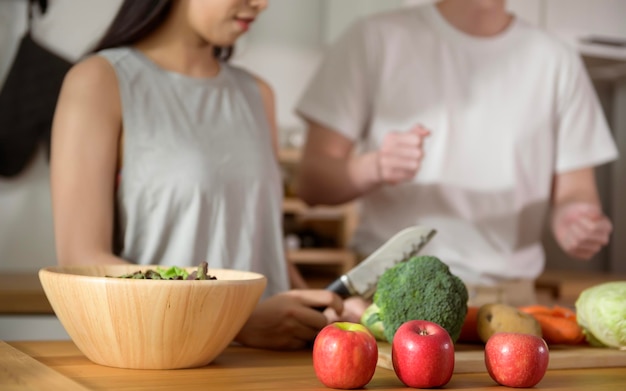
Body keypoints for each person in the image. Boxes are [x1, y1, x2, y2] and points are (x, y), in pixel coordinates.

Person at [49, 0, 351, 350]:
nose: (262, 4)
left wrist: (324, 309)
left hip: (272, 359)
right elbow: (82, 259)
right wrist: (234, 321)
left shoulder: (257, 94)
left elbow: (264, 241)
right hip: (161, 355)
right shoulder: (100, 81)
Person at [294, 0, 619, 306]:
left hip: (508, 304)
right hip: (389, 298)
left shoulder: (557, 60)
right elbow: (310, 183)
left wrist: (576, 219)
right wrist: (374, 167)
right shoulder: (374, 38)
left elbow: (576, 193)